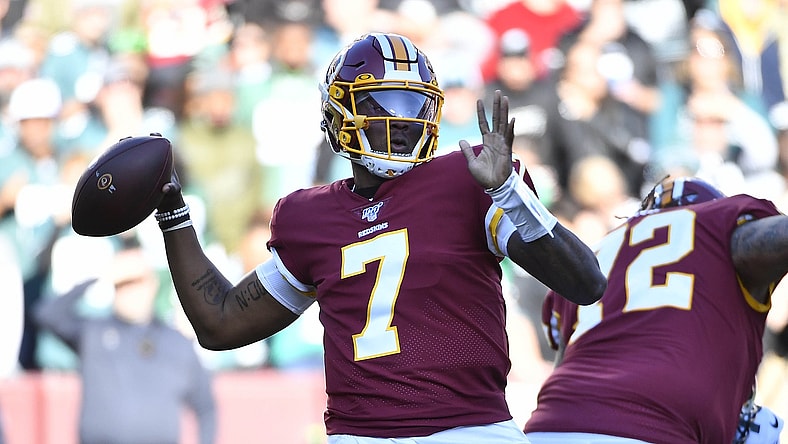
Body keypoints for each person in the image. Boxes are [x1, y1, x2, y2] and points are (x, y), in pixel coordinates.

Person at [153, 32, 606, 442]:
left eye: (414, 106)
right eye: (382, 104)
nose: (402, 121)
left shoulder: (466, 180)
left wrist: (507, 193)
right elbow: (221, 323)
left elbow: (585, 283)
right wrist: (173, 212)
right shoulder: (308, 216)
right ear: (338, 113)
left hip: (470, 429)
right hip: (362, 436)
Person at [523, 176, 788, 443]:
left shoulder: (590, 256)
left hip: (549, 424)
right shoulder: (719, 230)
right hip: (656, 425)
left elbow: (562, 361)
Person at [34, 239, 217, 444]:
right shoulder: (94, 332)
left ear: (152, 284)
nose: (131, 291)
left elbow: (206, 407)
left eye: (137, 281)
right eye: (123, 284)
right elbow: (46, 314)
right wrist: (100, 275)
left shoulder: (176, 342)